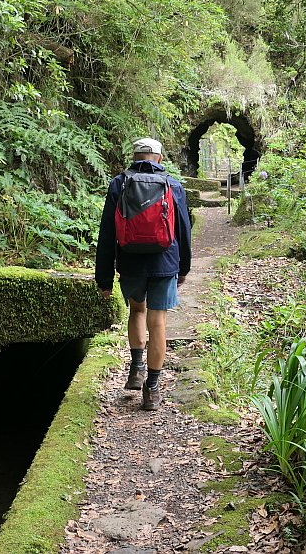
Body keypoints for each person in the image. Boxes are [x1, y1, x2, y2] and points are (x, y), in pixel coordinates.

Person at [96, 137, 193, 411]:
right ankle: (152, 389)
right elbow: (184, 230)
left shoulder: (119, 183)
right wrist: (184, 267)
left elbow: (107, 233)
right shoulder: (172, 184)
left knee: (137, 311)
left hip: (130, 261)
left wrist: (103, 278)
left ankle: (136, 370)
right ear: (159, 159)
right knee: (158, 322)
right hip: (165, 261)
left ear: (134, 156)